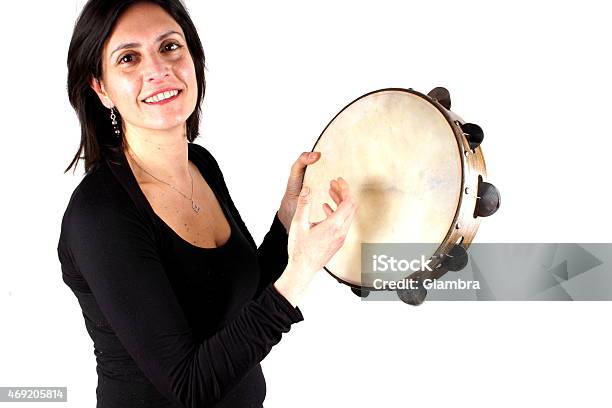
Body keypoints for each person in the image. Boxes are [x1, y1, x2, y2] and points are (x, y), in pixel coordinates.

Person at [57, 1, 357, 407]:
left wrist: (288, 218)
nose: (158, 70)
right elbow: (190, 387)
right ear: (101, 88)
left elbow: (240, 299)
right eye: (128, 58)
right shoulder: (101, 215)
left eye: (169, 47)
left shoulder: (200, 164)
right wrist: (301, 270)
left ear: (194, 58)